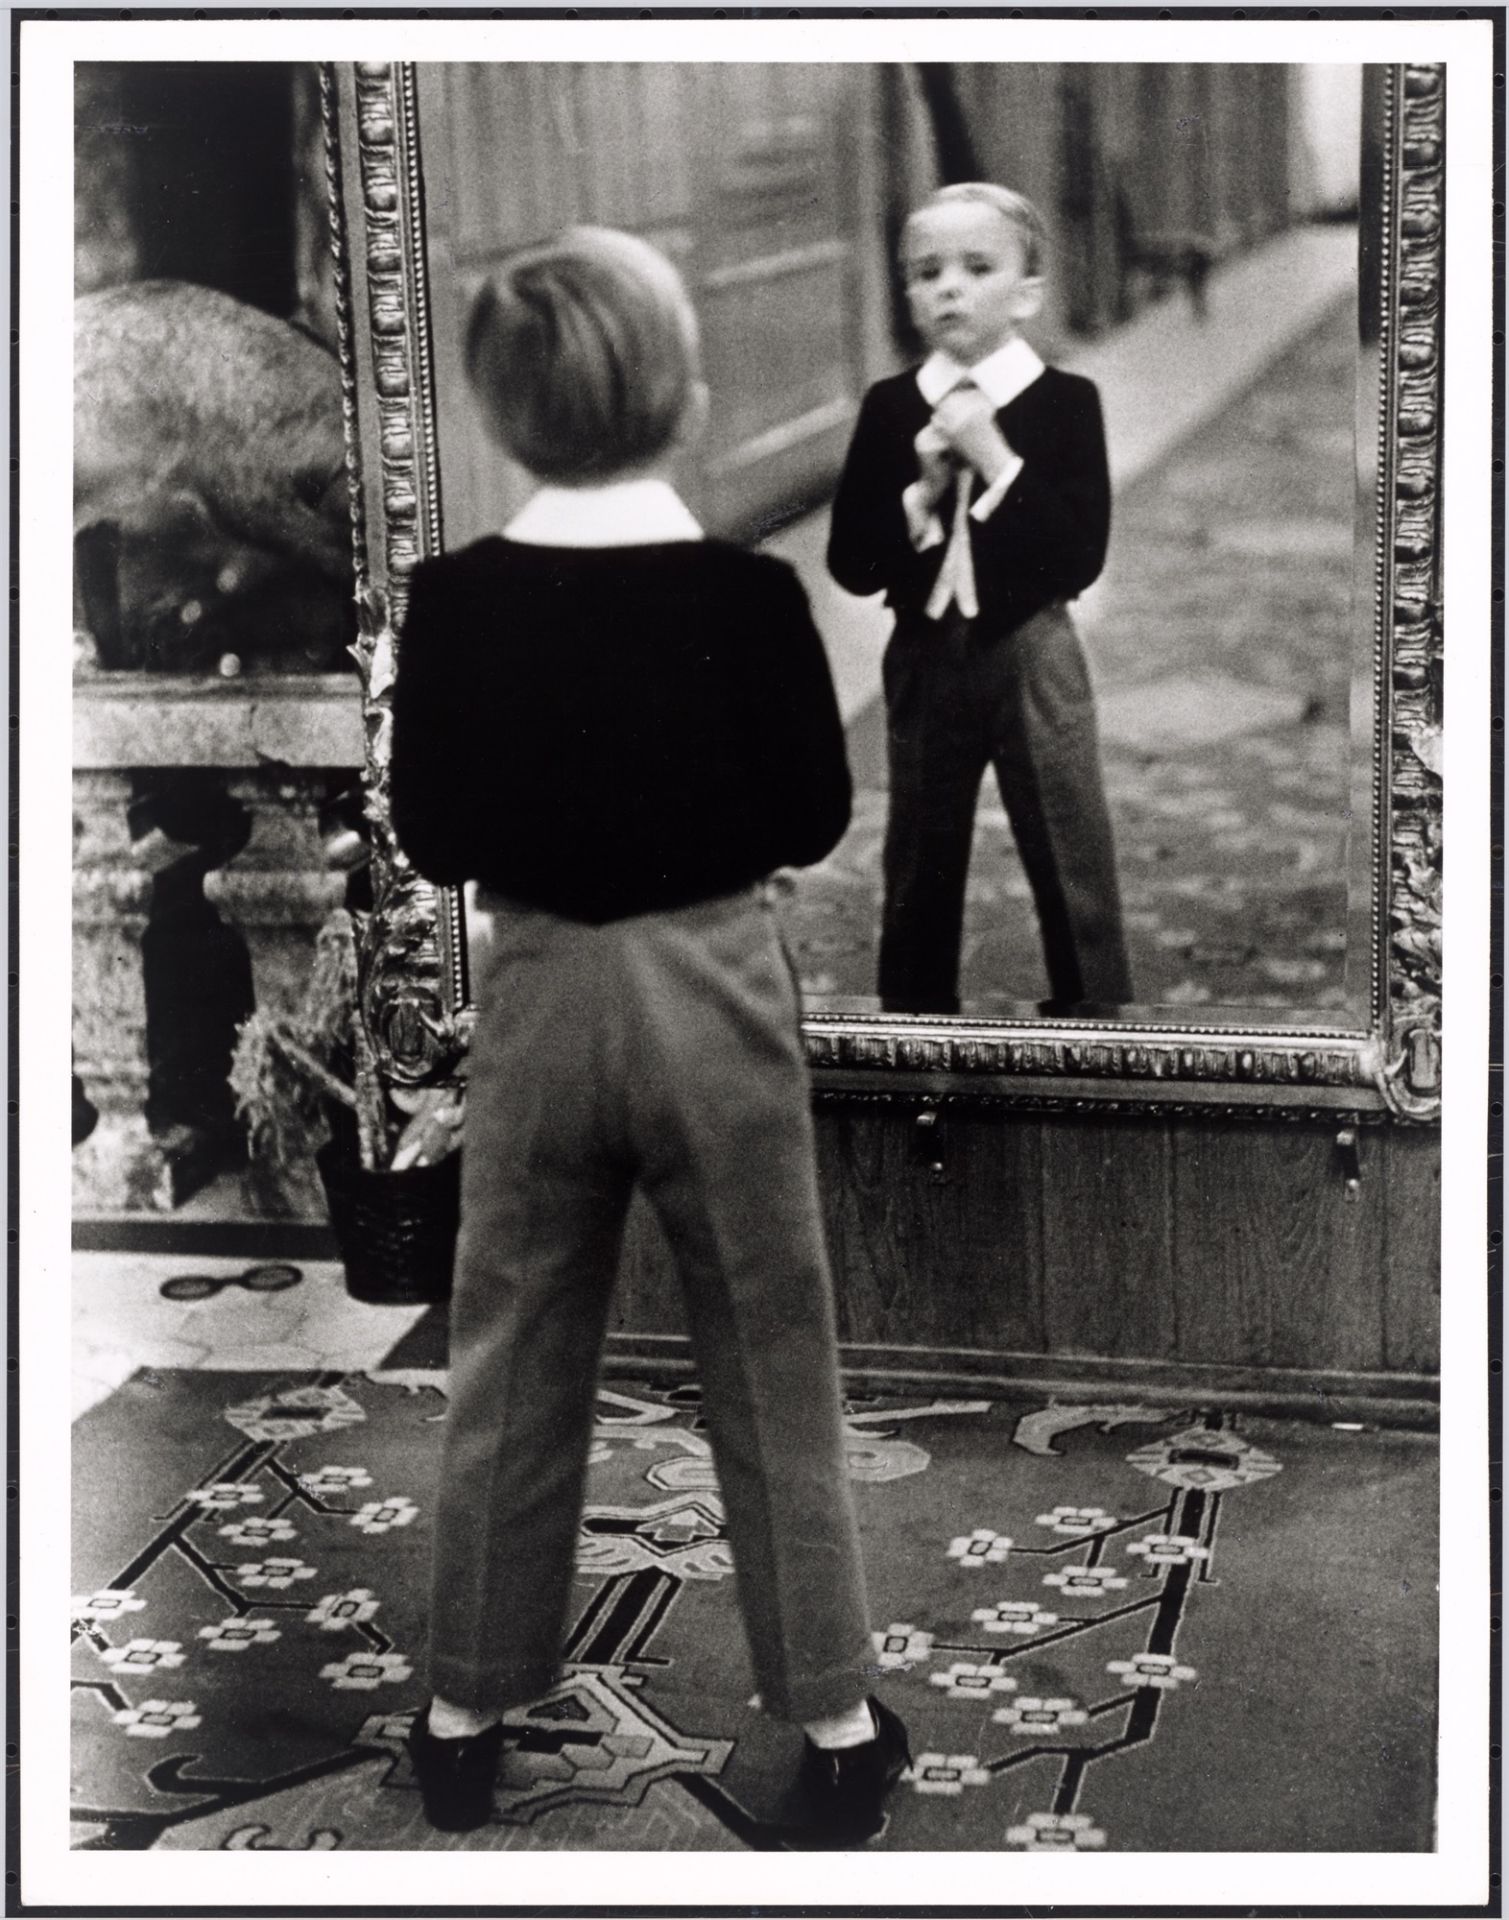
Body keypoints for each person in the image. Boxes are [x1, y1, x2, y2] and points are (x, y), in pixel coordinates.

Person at [387, 226, 910, 1845]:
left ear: (497, 411)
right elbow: (813, 815)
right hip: (711, 990)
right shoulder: (744, 596)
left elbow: (431, 829)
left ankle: (463, 1708)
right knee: (769, 1354)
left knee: (513, 1350)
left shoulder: (454, 600)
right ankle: (827, 1714)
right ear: (681, 398)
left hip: (537, 991)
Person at [827, 182, 1133, 1018]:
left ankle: (1095, 1016)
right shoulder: (890, 408)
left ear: (1026, 293)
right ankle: (915, 1018)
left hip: (1033, 653)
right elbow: (851, 564)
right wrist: (918, 498)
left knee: (1069, 844)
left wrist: (997, 460)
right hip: (923, 658)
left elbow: (1079, 557)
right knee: (918, 853)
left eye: (975, 267)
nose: (947, 287)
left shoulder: (1068, 404)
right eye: (925, 273)